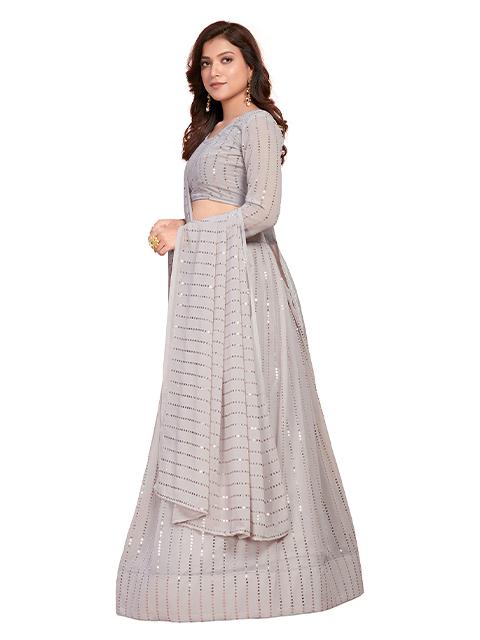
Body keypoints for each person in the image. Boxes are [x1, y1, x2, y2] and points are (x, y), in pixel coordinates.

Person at [116, 21, 364, 623]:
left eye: (227, 59)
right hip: (210, 285)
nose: (215, 72)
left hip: (249, 288)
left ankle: (280, 573)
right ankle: (203, 574)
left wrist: (186, 233)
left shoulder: (257, 126)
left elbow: (262, 212)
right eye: (206, 63)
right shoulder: (211, 133)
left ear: (251, 66)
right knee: (204, 409)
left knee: (253, 407)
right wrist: (182, 236)